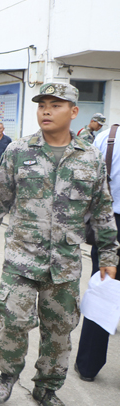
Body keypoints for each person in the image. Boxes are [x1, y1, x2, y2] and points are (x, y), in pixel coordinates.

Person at [0, 82, 118, 406]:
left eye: (56, 105)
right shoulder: (19, 151)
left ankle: (46, 387)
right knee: (12, 320)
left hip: (65, 263)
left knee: (59, 332)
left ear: (73, 112)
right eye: (42, 105)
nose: (46, 111)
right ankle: (8, 374)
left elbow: (101, 208)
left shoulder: (90, 156)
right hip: (21, 257)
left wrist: (110, 254)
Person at [75, 122, 120, 382]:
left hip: (110, 221)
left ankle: (88, 365)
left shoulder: (107, 137)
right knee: (104, 288)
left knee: (104, 289)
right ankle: (89, 364)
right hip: (109, 222)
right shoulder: (106, 137)